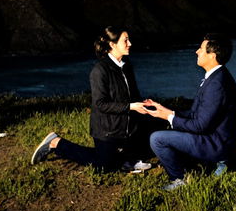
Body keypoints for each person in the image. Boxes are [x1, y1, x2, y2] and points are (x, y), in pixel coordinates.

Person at [30, 26, 154, 172]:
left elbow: (132, 95)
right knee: (103, 166)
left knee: (120, 158)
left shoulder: (127, 66)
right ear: (112, 45)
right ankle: (56, 143)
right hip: (106, 131)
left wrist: (143, 102)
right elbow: (100, 104)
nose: (130, 44)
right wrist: (131, 107)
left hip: (125, 129)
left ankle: (125, 160)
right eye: (125, 40)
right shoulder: (100, 70)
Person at [145, 33, 236, 190]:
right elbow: (196, 114)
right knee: (163, 127)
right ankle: (195, 165)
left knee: (157, 139)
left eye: (201, 49)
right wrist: (168, 112)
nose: (197, 51)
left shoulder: (217, 84)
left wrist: (169, 117)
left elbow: (199, 126)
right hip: (214, 139)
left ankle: (179, 179)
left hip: (217, 145)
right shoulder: (216, 77)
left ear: (212, 56)